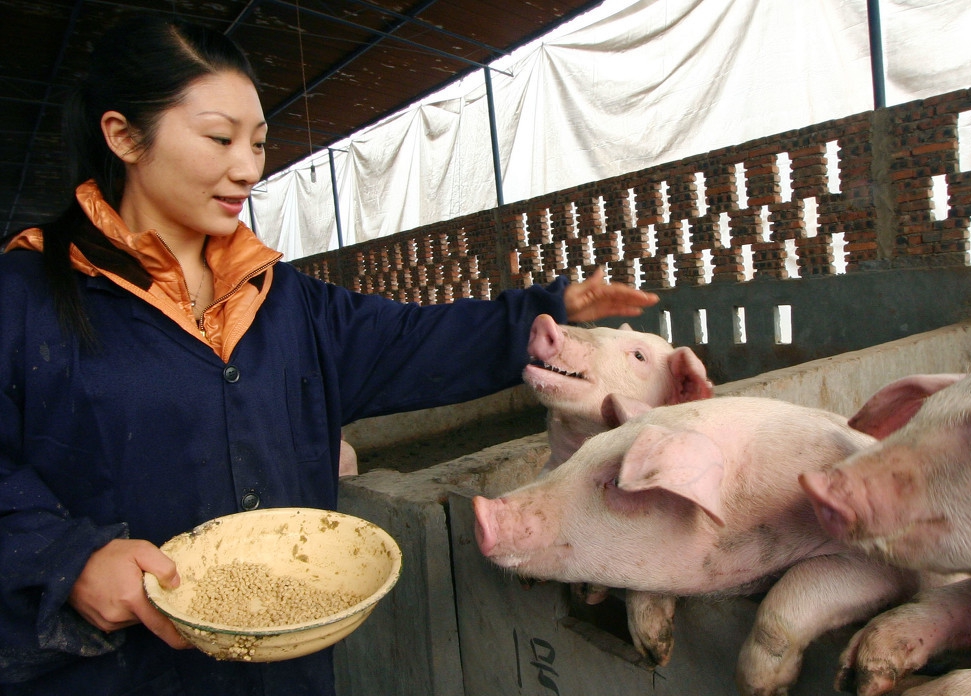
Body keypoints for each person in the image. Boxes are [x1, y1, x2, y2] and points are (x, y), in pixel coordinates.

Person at [0, 14, 657, 696]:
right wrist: (67, 561)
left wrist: (541, 315)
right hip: (113, 675)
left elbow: (411, 343)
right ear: (123, 136)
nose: (247, 166)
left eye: (257, 142)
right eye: (219, 138)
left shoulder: (285, 301)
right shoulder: (27, 296)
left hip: (287, 673)